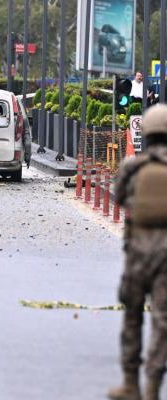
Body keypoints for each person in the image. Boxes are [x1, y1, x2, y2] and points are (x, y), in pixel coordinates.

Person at [109, 104, 167, 400]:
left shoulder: (134, 166)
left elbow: (117, 197)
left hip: (139, 252)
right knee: (162, 321)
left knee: (132, 314)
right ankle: (153, 388)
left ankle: (130, 382)